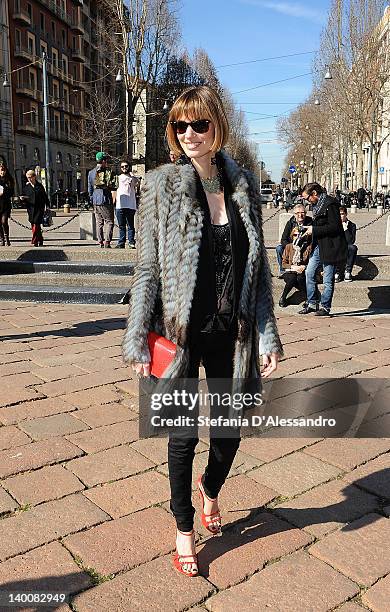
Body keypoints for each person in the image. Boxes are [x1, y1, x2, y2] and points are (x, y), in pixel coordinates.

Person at [122, 85, 282, 577]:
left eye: (199, 124)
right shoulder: (160, 186)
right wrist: (138, 337)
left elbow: (258, 271)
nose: (188, 134)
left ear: (217, 128)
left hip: (231, 331)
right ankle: (184, 530)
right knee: (182, 435)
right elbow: (147, 268)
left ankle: (210, 491)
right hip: (180, 331)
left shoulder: (242, 185)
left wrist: (266, 335)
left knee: (230, 430)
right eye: (179, 126)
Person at [298, 182, 347, 316]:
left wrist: (314, 229)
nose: (307, 201)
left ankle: (325, 307)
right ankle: (312, 303)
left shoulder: (330, 204)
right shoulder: (316, 205)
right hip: (319, 244)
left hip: (331, 245)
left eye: (307, 198)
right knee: (309, 272)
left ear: (314, 194)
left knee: (328, 278)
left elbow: (335, 227)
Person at [275, 203, 312, 277]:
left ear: (305, 213)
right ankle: (283, 271)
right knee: (279, 248)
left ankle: (307, 269)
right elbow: (283, 239)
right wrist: (290, 247)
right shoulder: (290, 222)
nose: (300, 215)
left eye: (302, 212)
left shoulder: (310, 222)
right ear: (294, 214)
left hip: (305, 246)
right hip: (292, 245)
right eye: (297, 213)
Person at [279, 226, 312, 307]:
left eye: (299, 235)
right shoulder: (289, 246)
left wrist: (304, 267)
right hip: (290, 270)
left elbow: (312, 262)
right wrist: (292, 267)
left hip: (302, 271)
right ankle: (283, 297)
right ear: (292, 236)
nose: (297, 237)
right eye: (295, 235)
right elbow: (283, 264)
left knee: (300, 278)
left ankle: (308, 298)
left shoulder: (308, 247)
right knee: (292, 278)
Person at [88, 152, 115, 248]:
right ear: (103, 161)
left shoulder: (91, 172)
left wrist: (92, 199)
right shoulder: (106, 171)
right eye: (106, 160)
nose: (107, 162)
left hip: (95, 200)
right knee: (110, 222)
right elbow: (112, 185)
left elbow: (90, 189)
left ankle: (100, 241)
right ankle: (107, 242)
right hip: (105, 199)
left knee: (99, 223)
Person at [113, 160, 139, 249]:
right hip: (120, 205)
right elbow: (114, 189)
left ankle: (131, 242)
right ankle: (121, 242)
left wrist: (131, 175)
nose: (124, 168)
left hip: (130, 205)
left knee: (130, 225)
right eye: (122, 167)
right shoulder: (118, 178)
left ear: (129, 167)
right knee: (121, 225)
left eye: (126, 166)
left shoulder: (132, 178)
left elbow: (137, 183)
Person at [21, 169, 49, 247]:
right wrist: (22, 199)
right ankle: (40, 240)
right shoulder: (26, 187)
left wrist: (48, 206)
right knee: (33, 224)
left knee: (36, 224)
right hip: (30, 208)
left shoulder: (39, 186)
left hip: (39, 208)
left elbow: (45, 197)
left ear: (34, 177)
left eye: (30, 177)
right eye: (28, 177)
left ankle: (34, 240)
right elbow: (23, 198)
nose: (29, 179)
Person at [335, 206, 357, 282]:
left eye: (342, 214)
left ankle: (348, 271)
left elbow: (351, 241)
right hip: (336, 248)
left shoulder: (352, 225)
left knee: (353, 248)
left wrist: (345, 228)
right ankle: (336, 272)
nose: (340, 216)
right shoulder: (334, 225)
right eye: (338, 214)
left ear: (346, 214)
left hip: (347, 247)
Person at [0, 160, 14, 246]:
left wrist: (4, 192)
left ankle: (7, 238)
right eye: (1, 170)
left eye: (3, 170)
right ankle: (1, 239)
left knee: (4, 221)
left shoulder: (9, 180)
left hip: (5, 205)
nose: (2, 172)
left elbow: (11, 192)